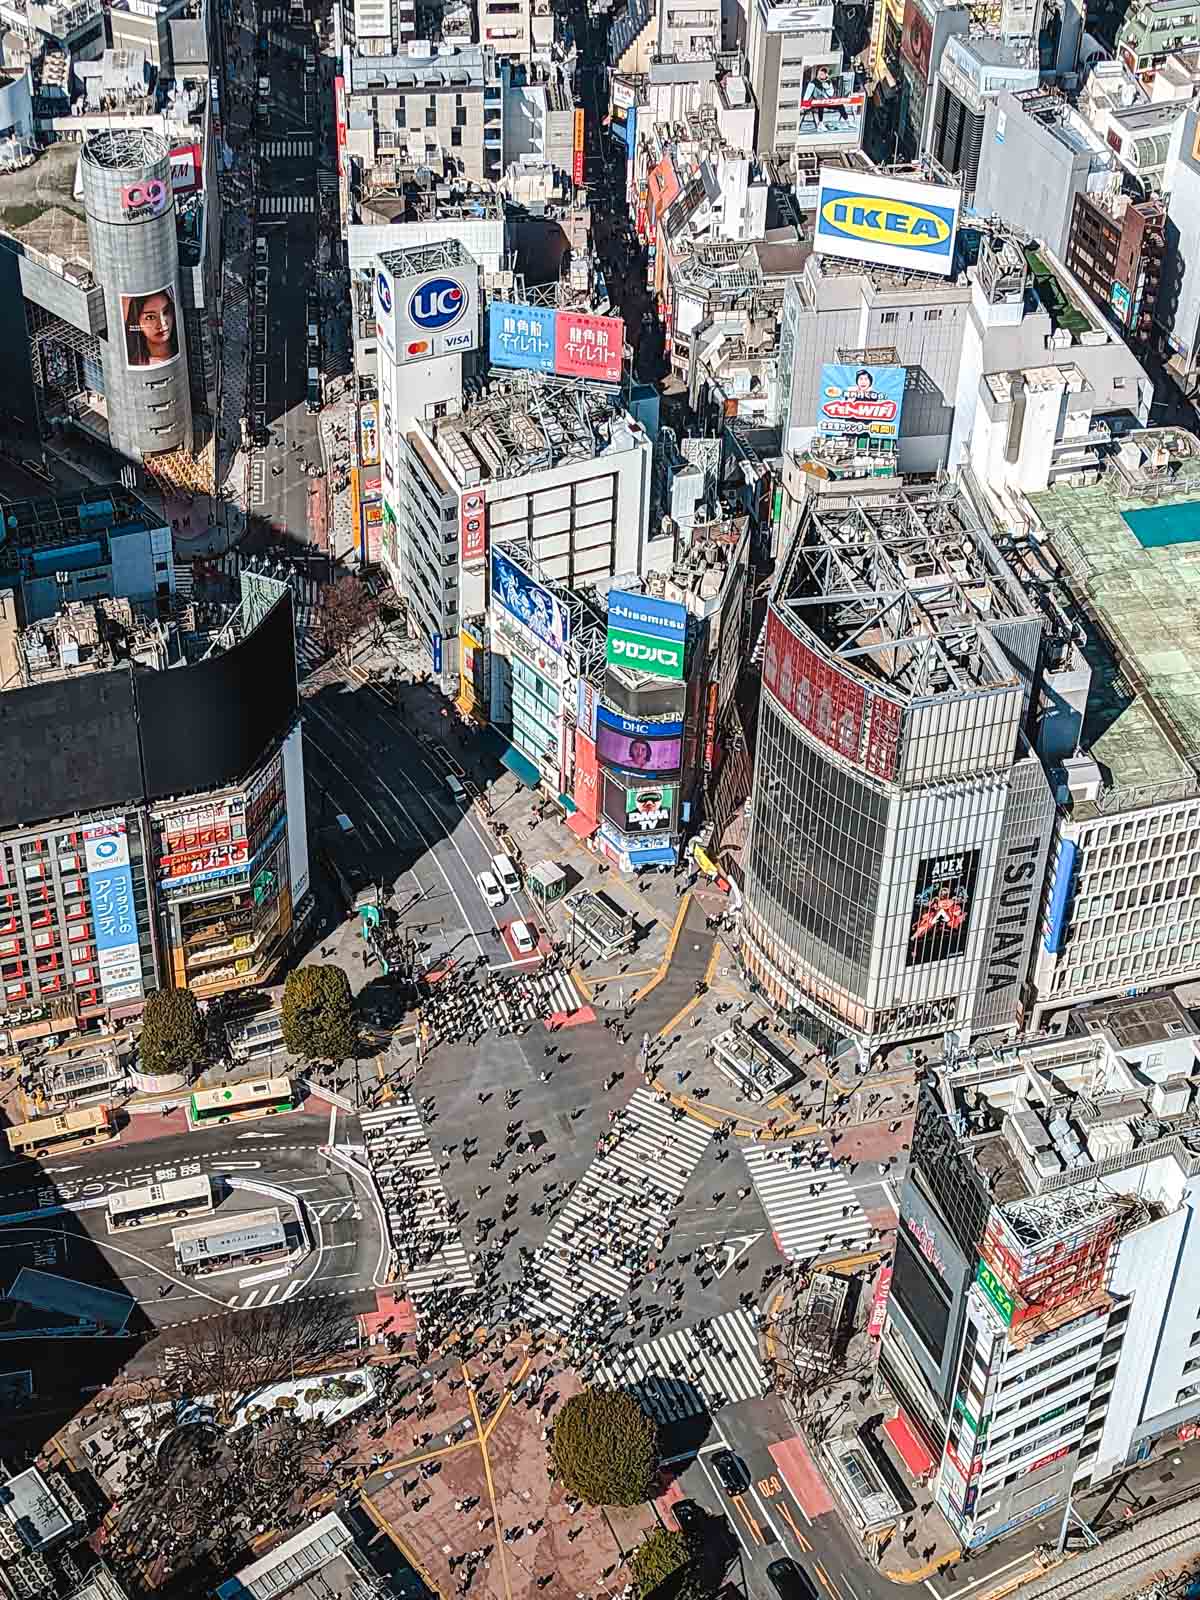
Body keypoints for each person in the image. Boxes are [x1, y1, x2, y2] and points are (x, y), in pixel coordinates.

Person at [125, 289, 179, 367]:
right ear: (137, 322)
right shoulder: (135, 362)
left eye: (165, 312)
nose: (162, 324)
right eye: (150, 317)